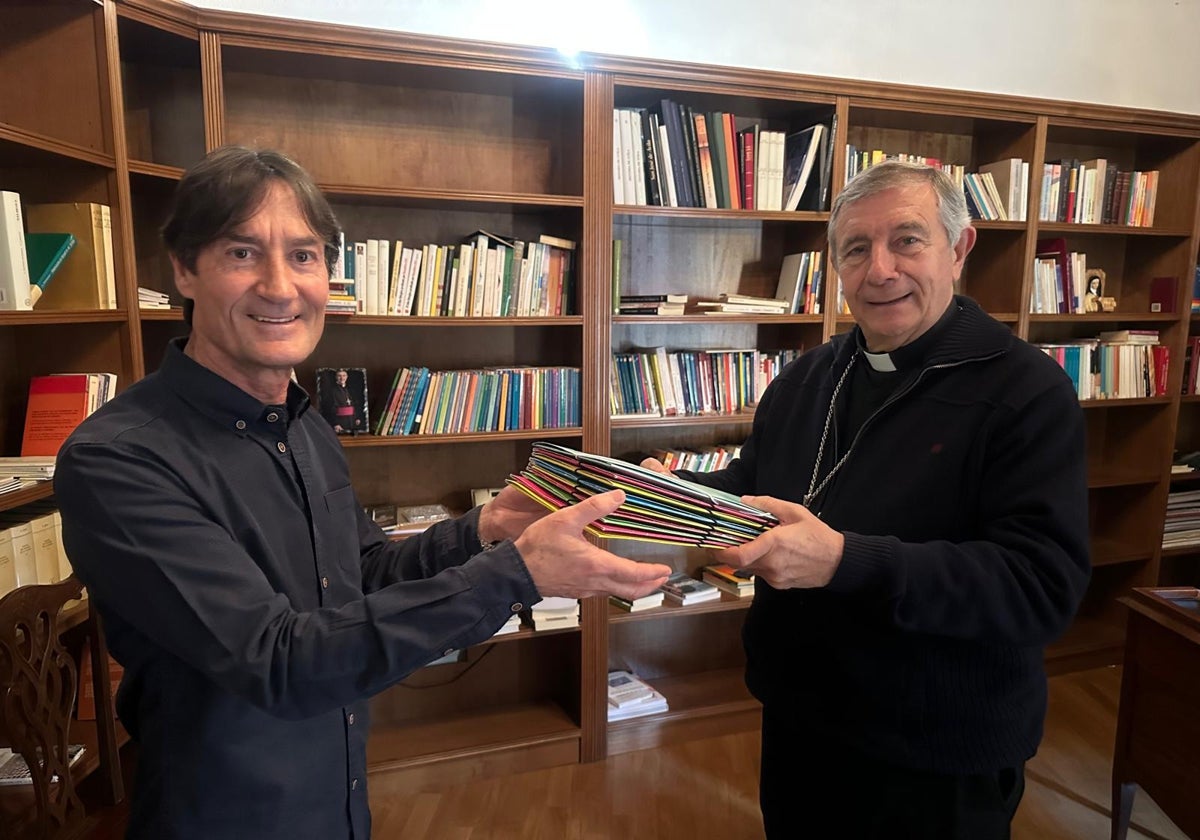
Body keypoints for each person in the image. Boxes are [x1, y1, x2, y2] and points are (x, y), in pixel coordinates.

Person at [54, 146, 671, 840]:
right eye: (241, 253)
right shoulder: (120, 459)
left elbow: (363, 574)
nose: (281, 286)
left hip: (339, 798)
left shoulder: (301, 421)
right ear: (183, 270)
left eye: (305, 255)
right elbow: (278, 660)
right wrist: (515, 575)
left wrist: (484, 529)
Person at [645, 160, 1090, 839]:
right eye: (856, 248)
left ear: (959, 249)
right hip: (802, 721)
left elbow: (1040, 587)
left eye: (907, 240)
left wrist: (844, 560)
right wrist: (666, 497)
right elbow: (751, 490)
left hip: (935, 749)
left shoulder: (1027, 393)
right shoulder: (806, 378)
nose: (879, 269)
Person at [320, 367, 365, 433]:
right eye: (339, 376)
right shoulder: (332, 391)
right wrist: (335, 423)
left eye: (344, 375)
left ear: (347, 377)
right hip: (339, 422)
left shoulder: (351, 390)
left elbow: (355, 405)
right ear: (336, 377)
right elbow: (328, 409)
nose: (342, 378)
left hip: (352, 421)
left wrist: (357, 417)